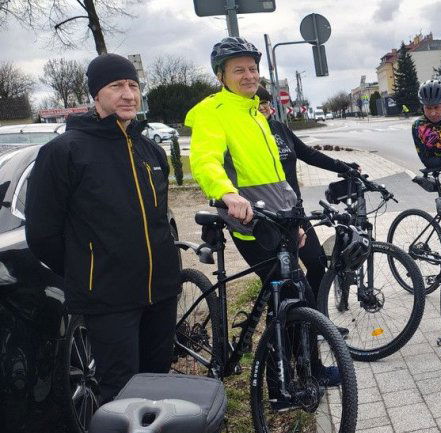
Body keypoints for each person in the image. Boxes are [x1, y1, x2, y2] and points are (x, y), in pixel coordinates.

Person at [184, 38, 342, 385]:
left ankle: (300, 371)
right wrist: (227, 193)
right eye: (238, 70)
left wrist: (295, 219)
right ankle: (281, 381)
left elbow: (278, 178)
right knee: (291, 293)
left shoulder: (255, 113)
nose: (249, 75)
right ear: (220, 76)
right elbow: (205, 160)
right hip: (249, 220)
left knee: (292, 296)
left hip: (279, 217)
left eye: (253, 68)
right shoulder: (213, 111)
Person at [25, 54, 179, 403]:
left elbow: (157, 219)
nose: (128, 94)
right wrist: (88, 269)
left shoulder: (150, 151)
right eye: (116, 86)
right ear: (96, 94)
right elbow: (42, 233)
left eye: (133, 86)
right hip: (109, 298)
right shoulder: (65, 152)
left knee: (157, 385)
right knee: (122, 396)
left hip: (161, 292)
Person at [254, 85, 359, 289]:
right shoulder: (247, 134)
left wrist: (344, 167)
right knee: (284, 275)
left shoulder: (280, 128)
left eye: (265, 102)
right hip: (268, 214)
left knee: (317, 263)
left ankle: (313, 308)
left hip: (294, 211)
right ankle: (289, 309)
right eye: (257, 104)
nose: (263, 107)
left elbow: (309, 154)